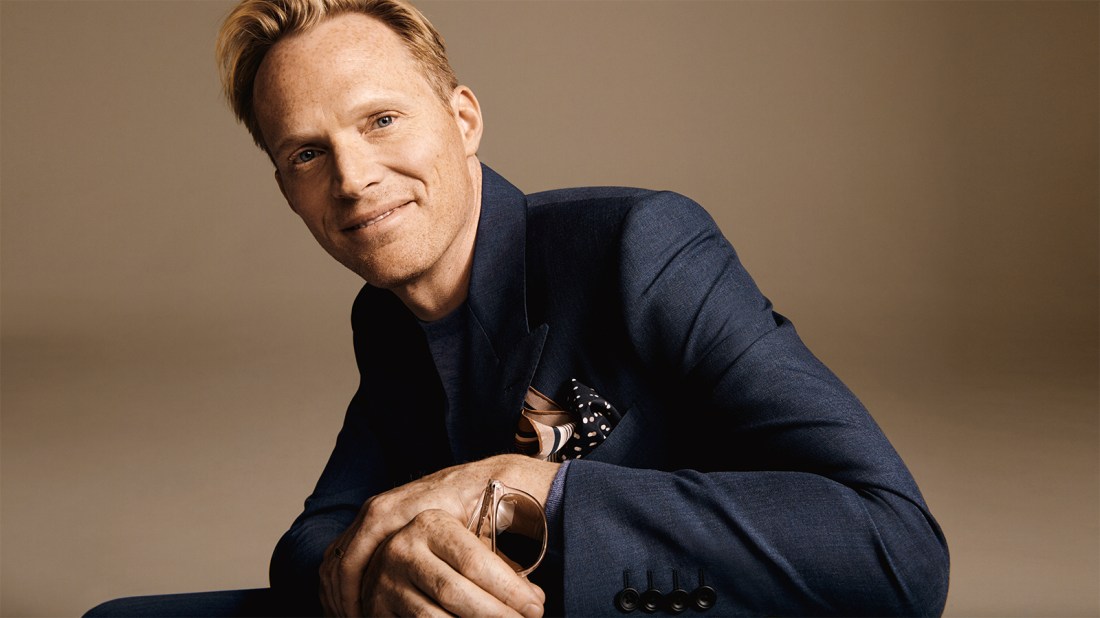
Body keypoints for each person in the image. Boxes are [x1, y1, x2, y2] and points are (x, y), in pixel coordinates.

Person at [88, 0, 949, 616]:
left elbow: (898, 549)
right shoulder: (384, 320)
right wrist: (379, 573)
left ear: (463, 119)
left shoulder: (639, 244)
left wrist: (538, 489)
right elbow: (318, 535)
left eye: (381, 120)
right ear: (287, 190)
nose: (352, 178)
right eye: (307, 154)